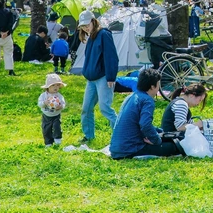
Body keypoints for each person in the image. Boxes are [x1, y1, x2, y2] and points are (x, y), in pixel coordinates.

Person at [109, 68, 181, 158]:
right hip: (130, 149)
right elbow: (145, 124)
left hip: (116, 148)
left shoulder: (131, 97)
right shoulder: (147, 100)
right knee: (174, 146)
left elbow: (139, 123)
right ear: (152, 86)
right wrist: (156, 140)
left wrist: (159, 131)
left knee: (166, 138)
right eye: (158, 84)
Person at [78, 11, 119, 144]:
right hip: (91, 79)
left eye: (86, 25)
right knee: (86, 108)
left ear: (93, 21)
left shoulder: (104, 34)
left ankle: (121, 134)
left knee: (105, 108)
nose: (85, 28)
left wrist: (111, 77)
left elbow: (111, 56)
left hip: (103, 77)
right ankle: (88, 136)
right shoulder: (91, 37)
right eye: (83, 26)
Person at [37, 72, 67, 147]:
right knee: (46, 129)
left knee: (57, 127)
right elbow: (39, 104)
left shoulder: (59, 96)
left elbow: (63, 103)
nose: (55, 87)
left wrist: (61, 106)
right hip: (46, 115)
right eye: (53, 85)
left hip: (56, 115)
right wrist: (45, 103)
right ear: (48, 87)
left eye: (57, 85)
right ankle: (48, 143)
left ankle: (57, 140)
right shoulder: (43, 95)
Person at [0, 0, 17, 76]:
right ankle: (10, 70)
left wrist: (0, 32)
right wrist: (6, 32)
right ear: (4, 3)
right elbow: (11, 23)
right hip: (7, 36)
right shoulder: (9, 12)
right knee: (8, 54)